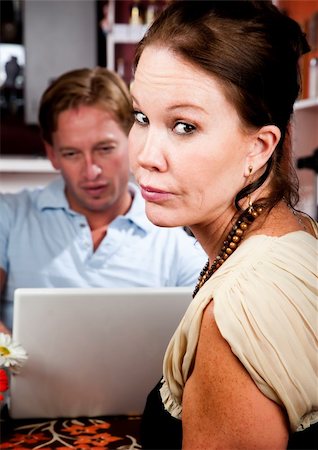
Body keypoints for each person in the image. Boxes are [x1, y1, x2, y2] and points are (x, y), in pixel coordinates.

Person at [128, 1, 318, 448]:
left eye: (184, 126)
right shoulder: (298, 235)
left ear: (259, 147)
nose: (145, 157)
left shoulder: (234, 316)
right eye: (141, 117)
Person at [0, 67, 207, 334]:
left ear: (134, 140)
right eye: (72, 153)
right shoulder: (9, 216)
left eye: (105, 149)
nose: (91, 171)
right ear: (52, 154)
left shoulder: (178, 250)